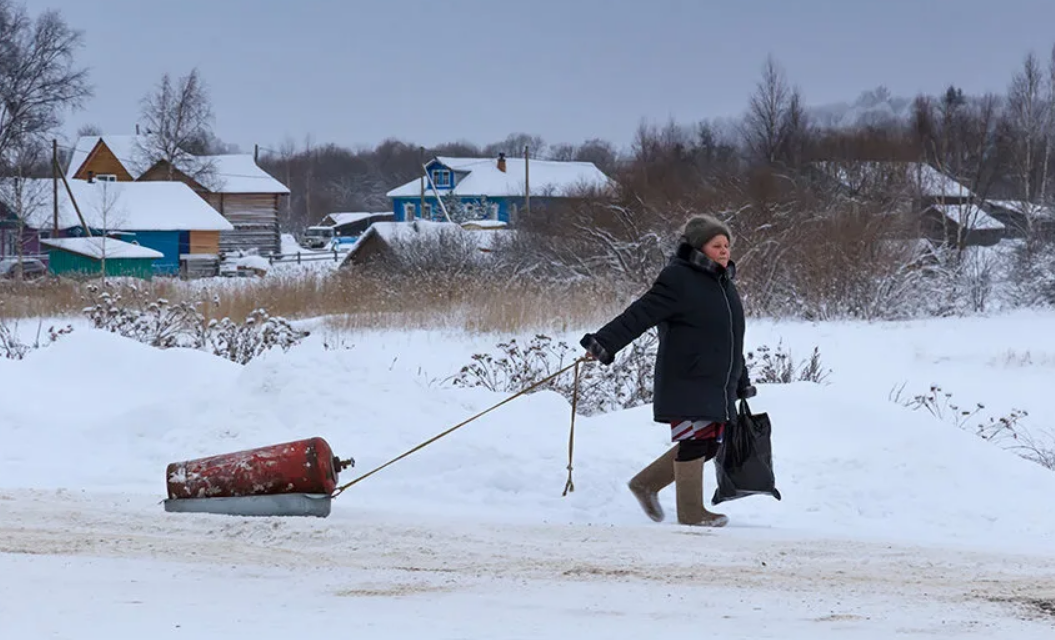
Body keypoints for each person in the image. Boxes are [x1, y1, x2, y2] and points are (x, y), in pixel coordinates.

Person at [580, 214, 755, 527]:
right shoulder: (678, 279)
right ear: (700, 247)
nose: (725, 250)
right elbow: (639, 314)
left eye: (727, 245)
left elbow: (732, 339)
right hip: (687, 376)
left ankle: (646, 484)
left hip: (716, 380)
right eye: (717, 245)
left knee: (711, 444)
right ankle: (691, 513)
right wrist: (602, 344)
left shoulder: (724, 284)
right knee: (695, 441)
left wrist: (740, 380)